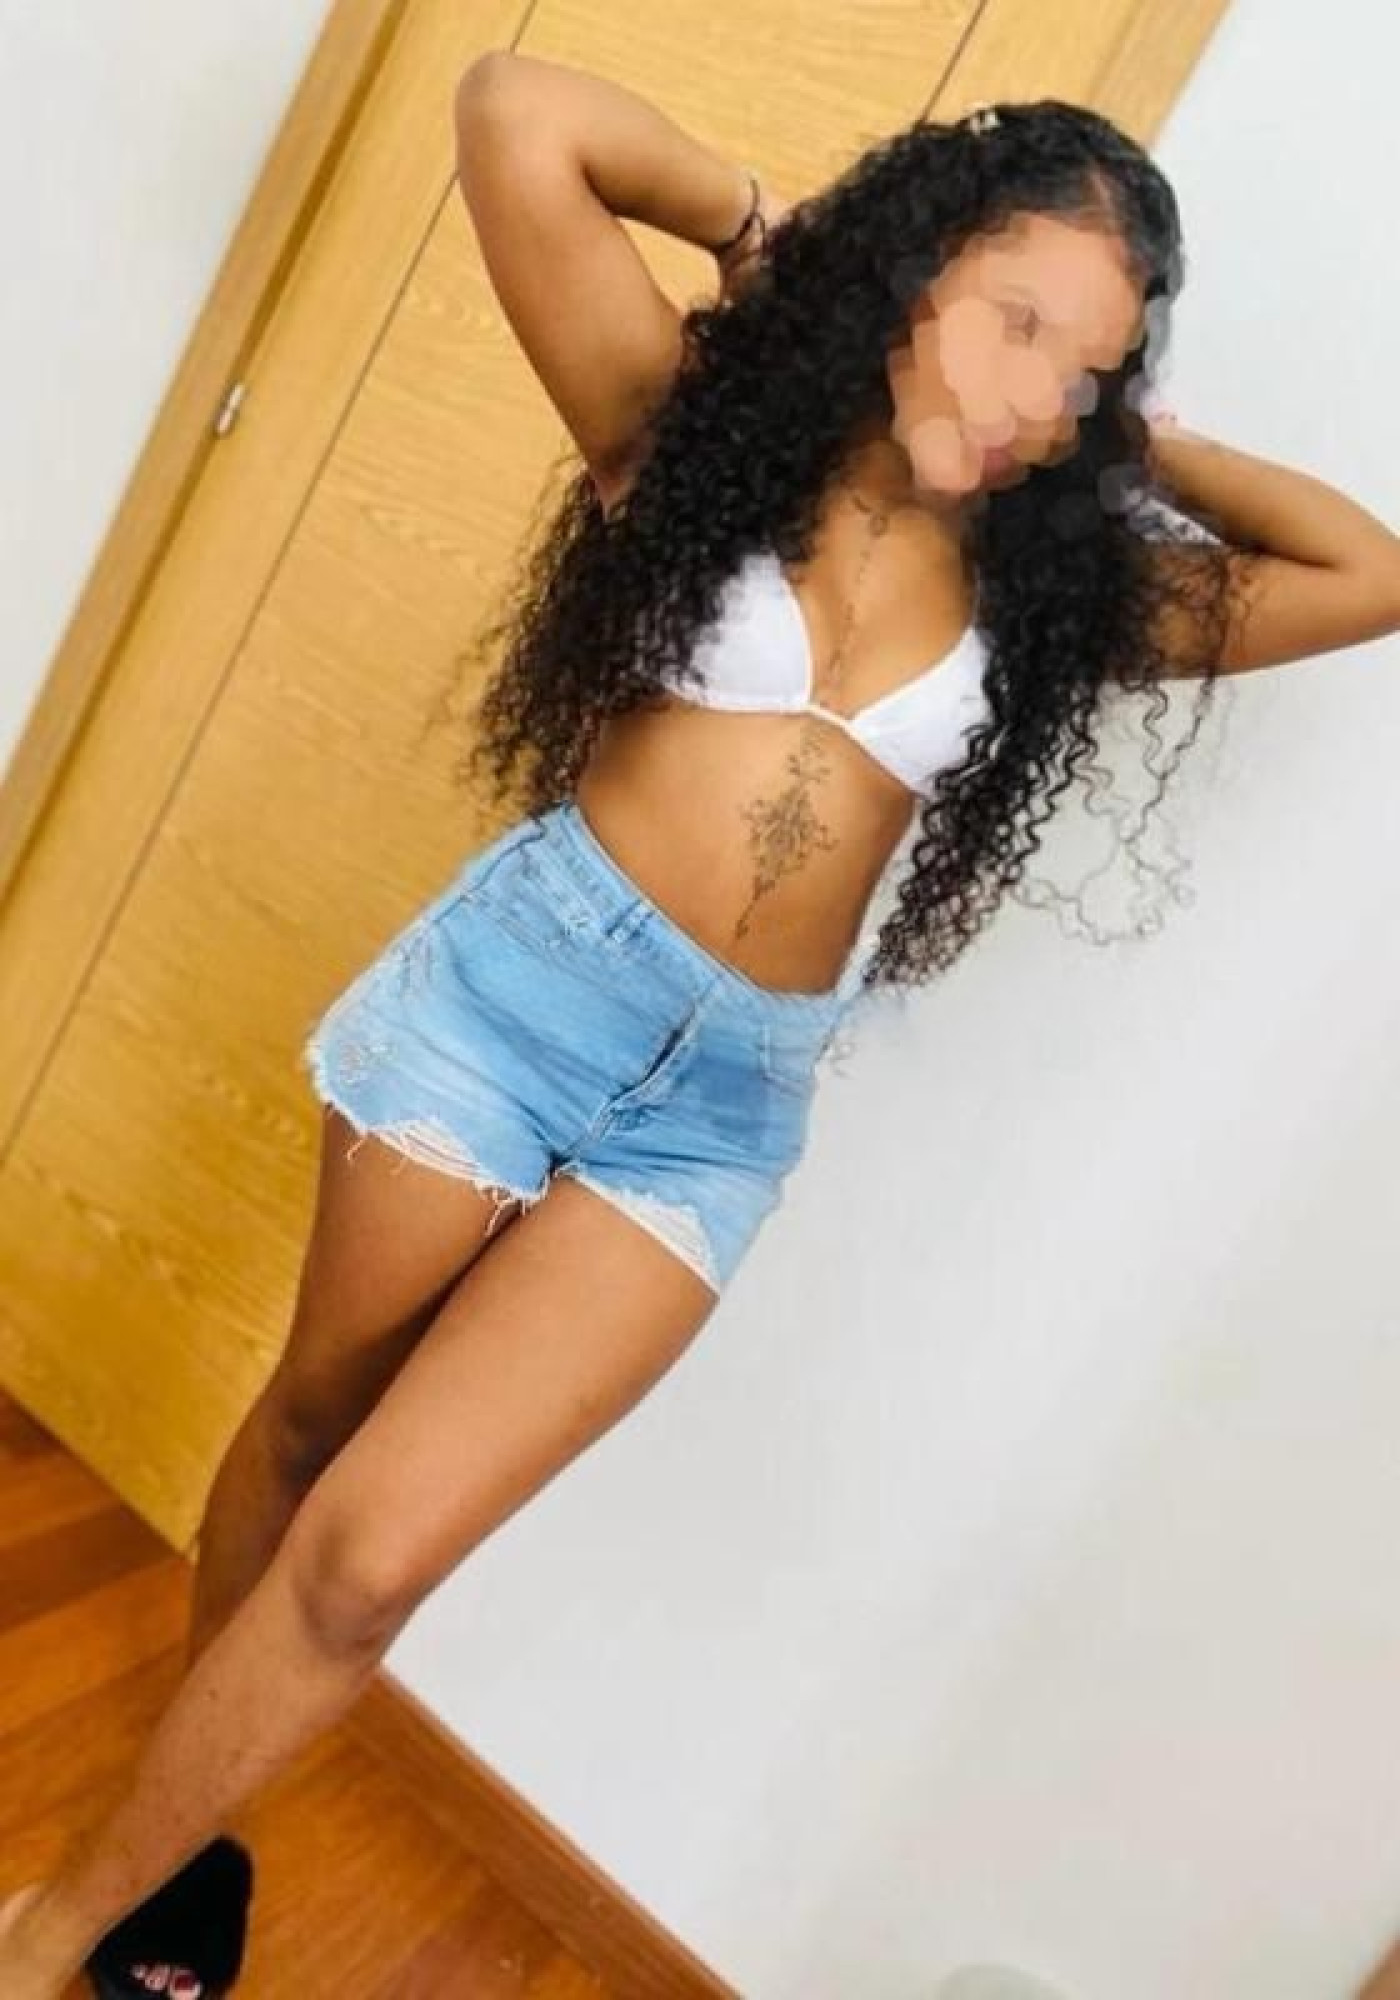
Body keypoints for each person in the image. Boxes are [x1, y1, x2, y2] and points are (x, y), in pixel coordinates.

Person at [5, 54, 1399, 2000]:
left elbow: (1368, 574)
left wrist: (1127, 447)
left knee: (375, 1555)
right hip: (513, 997)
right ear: (915, 264)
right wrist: (766, 232)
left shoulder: (1056, 597)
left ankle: (70, 1913)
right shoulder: (683, 425)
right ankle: (150, 1865)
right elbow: (516, 112)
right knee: (315, 1419)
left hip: (715, 1115)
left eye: (1080, 372)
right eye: (1012, 320)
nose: (1029, 398)